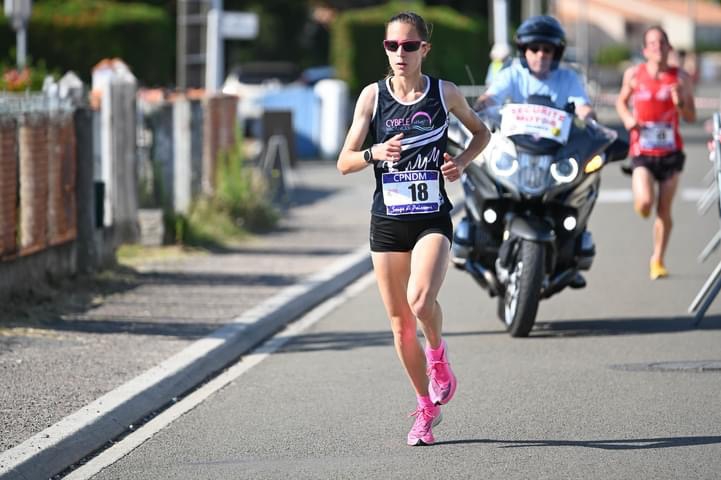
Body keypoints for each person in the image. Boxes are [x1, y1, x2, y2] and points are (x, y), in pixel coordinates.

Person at [337, 11, 490, 446]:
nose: (399, 54)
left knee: (421, 300)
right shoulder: (371, 97)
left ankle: (437, 356)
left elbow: (481, 134)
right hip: (387, 222)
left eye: (408, 46)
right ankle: (425, 408)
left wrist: (460, 163)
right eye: (391, 46)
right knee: (401, 325)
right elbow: (344, 161)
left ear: (424, 48)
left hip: (431, 217)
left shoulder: (444, 93)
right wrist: (374, 153)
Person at [615, 25, 696, 280]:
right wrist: (628, 118)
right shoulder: (634, 74)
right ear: (644, 50)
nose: (658, 47)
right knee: (645, 203)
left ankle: (658, 259)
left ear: (669, 47)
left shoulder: (680, 77)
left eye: (662, 43)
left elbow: (691, 117)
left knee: (664, 210)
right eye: (652, 43)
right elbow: (620, 101)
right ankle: (644, 205)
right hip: (643, 149)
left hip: (671, 151)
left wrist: (680, 103)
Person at [473, 15, 595, 121]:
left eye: (547, 50)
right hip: (515, 144)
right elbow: (492, 97)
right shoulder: (512, 74)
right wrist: (481, 106)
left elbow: (582, 106)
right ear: (524, 52)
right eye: (534, 48)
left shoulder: (569, 78)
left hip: (558, 146)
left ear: (555, 54)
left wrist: (588, 116)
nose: (541, 55)